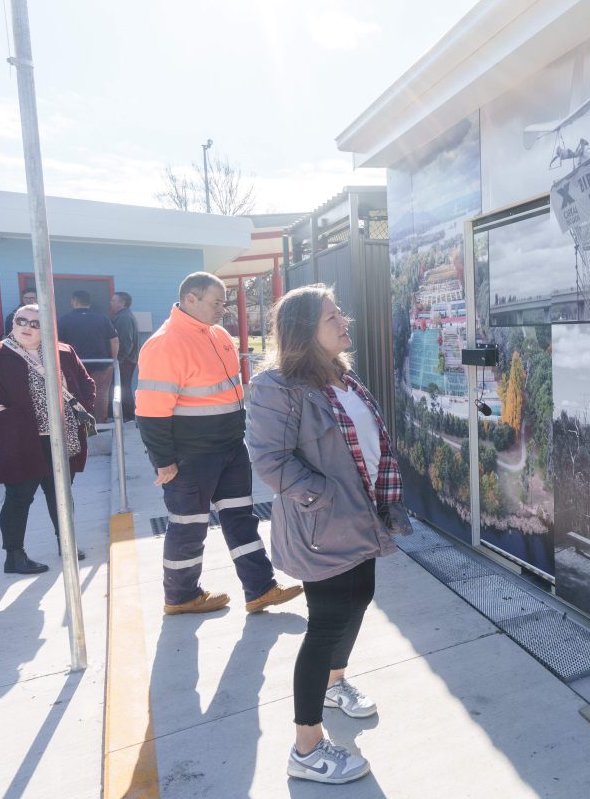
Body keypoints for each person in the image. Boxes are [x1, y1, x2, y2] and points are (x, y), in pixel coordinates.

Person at [248, 284, 407, 784]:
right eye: (331, 317)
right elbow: (269, 460)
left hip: (360, 515)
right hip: (325, 523)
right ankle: (307, 746)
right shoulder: (277, 386)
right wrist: (322, 496)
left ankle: (336, 683)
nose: (345, 323)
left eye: (341, 313)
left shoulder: (341, 376)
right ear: (303, 332)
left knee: (360, 596)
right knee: (327, 623)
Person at [137, 272, 301, 615]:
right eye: (216, 302)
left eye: (224, 303)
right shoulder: (165, 344)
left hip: (229, 448)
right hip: (190, 457)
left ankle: (260, 589)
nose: (222, 310)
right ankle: (180, 597)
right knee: (188, 527)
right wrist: (163, 461)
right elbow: (151, 412)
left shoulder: (219, 335)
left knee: (241, 518)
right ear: (191, 299)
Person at [0, 304, 95, 573]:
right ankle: (14, 556)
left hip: (62, 437)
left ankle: (66, 543)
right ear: (13, 323)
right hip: (20, 440)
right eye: (21, 320)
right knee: (19, 496)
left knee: (60, 493)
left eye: (35, 323)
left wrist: (82, 408)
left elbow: (86, 384)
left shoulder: (63, 351)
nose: (27, 326)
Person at [58, 290, 118, 362]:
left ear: (74, 302)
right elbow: (115, 341)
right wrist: (113, 360)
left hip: (75, 364)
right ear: (89, 303)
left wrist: (63, 361)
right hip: (100, 364)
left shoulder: (64, 320)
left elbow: (60, 343)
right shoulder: (103, 319)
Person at [110, 291, 139, 421]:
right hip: (127, 359)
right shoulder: (122, 316)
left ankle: (129, 415)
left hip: (125, 360)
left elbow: (126, 340)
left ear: (122, 303)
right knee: (123, 386)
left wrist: (119, 359)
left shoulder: (124, 318)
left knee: (123, 387)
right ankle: (127, 414)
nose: (111, 303)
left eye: (113, 300)